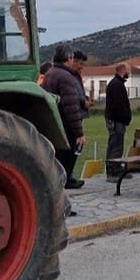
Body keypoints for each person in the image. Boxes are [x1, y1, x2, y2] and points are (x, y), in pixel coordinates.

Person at [41, 45, 85, 189]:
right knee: (65, 163)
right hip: (66, 126)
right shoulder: (66, 77)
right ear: (69, 58)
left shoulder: (50, 73)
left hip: (53, 124)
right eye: (72, 58)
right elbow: (71, 106)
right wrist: (79, 133)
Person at [104, 62, 132, 182]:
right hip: (116, 120)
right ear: (123, 70)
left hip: (118, 120)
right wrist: (125, 117)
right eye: (128, 70)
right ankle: (112, 171)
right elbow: (118, 105)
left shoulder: (117, 84)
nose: (129, 73)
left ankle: (117, 168)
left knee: (118, 145)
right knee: (115, 145)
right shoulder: (116, 85)